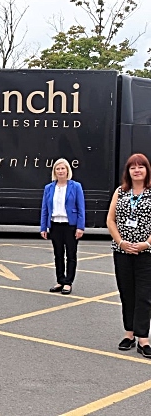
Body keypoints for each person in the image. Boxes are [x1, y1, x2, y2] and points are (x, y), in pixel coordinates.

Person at [106, 153, 151, 358]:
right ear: (128, 171)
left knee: (144, 295)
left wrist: (146, 243)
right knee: (127, 293)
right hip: (122, 252)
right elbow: (110, 220)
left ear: (147, 170)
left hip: (147, 252)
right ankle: (129, 334)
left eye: (141, 167)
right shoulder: (120, 191)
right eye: (133, 167)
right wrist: (121, 243)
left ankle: (143, 339)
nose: (137, 170)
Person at [39, 158, 85, 295]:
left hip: (70, 225)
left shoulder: (75, 186)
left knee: (71, 255)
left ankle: (68, 282)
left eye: (63, 168)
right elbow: (45, 210)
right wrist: (43, 227)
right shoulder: (49, 188)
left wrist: (80, 227)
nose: (60, 171)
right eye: (58, 169)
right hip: (55, 225)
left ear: (67, 171)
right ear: (54, 171)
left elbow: (81, 208)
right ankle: (60, 280)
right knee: (58, 254)